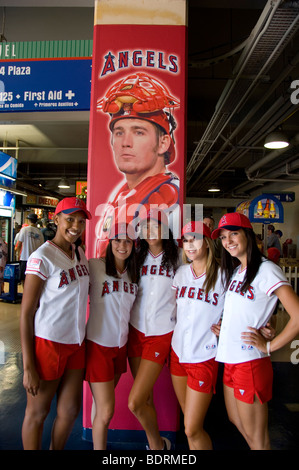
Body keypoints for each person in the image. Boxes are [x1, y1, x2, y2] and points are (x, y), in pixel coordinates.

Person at [211, 212, 299, 450]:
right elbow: (247, 311)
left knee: (258, 439)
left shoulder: (266, 269)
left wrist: (270, 345)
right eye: (223, 237)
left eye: (234, 234)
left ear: (248, 235)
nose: (228, 241)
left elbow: (297, 315)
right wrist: (225, 328)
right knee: (237, 421)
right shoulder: (238, 271)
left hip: (249, 361)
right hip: (230, 358)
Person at [20, 197, 91, 450]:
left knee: (70, 411)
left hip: (76, 343)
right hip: (48, 343)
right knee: (37, 413)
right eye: (70, 219)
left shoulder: (80, 253)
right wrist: (28, 366)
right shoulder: (42, 257)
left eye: (81, 221)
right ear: (56, 219)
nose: (75, 226)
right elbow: (27, 313)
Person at [94, 72, 180, 257]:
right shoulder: (122, 193)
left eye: (138, 132)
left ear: (163, 143)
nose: (126, 142)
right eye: (119, 132)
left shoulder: (170, 198)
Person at [127, 208, 180, 450]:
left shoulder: (180, 257)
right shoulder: (137, 257)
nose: (150, 232)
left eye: (155, 226)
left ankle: (157, 447)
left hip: (160, 334)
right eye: (145, 228)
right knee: (145, 397)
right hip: (135, 331)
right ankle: (158, 445)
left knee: (135, 402)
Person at [170, 221, 224, 450]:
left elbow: (242, 306)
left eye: (196, 239)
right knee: (189, 426)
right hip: (178, 354)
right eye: (186, 240)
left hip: (204, 356)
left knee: (192, 427)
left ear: (208, 243)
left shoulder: (223, 274)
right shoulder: (181, 273)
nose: (190, 245)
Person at [85, 222, 138, 450]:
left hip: (120, 347)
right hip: (98, 345)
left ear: (134, 245)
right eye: (118, 240)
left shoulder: (134, 274)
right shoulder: (94, 266)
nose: (122, 245)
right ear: (110, 242)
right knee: (106, 411)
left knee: (101, 407)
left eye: (127, 241)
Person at [16, 213, 44, 284]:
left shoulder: (24, 230)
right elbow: (42, 247)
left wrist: (17, 254)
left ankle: (24, 292)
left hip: (25, 257)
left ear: (28, 220)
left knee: (23, 278)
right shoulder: (39, 232)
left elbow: (19, 244)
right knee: (33, 278)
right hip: (36, 260)